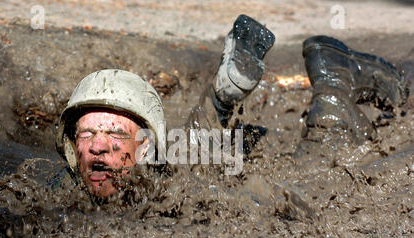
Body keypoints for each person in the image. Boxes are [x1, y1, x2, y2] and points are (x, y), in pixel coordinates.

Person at [52, 14, 408, 199]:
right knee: (192, 156)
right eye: (86, 133)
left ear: (144, 146)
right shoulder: (50, 193)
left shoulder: (171, 194)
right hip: (194, 153)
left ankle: (333, 91)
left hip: (204, 166)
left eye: (115, 133)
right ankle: (225, 99)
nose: (98, 146)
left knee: (316, 184)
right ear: (71, 145)